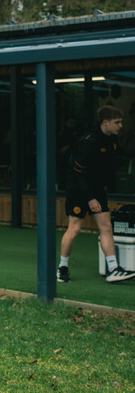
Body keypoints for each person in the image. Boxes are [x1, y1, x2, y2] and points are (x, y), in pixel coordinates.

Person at [58, 105, 135, 283]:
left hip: (98, 189)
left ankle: (113, 269)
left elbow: (122, 155)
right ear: (105, 122)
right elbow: (77, 173)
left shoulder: (111, 141)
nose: (120, 126)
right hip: (79, 190)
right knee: (75, 228)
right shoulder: (88, 141)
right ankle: (62, 267)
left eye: (121, 122)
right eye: (117, 122)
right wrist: (90, 198)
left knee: (106, 227)